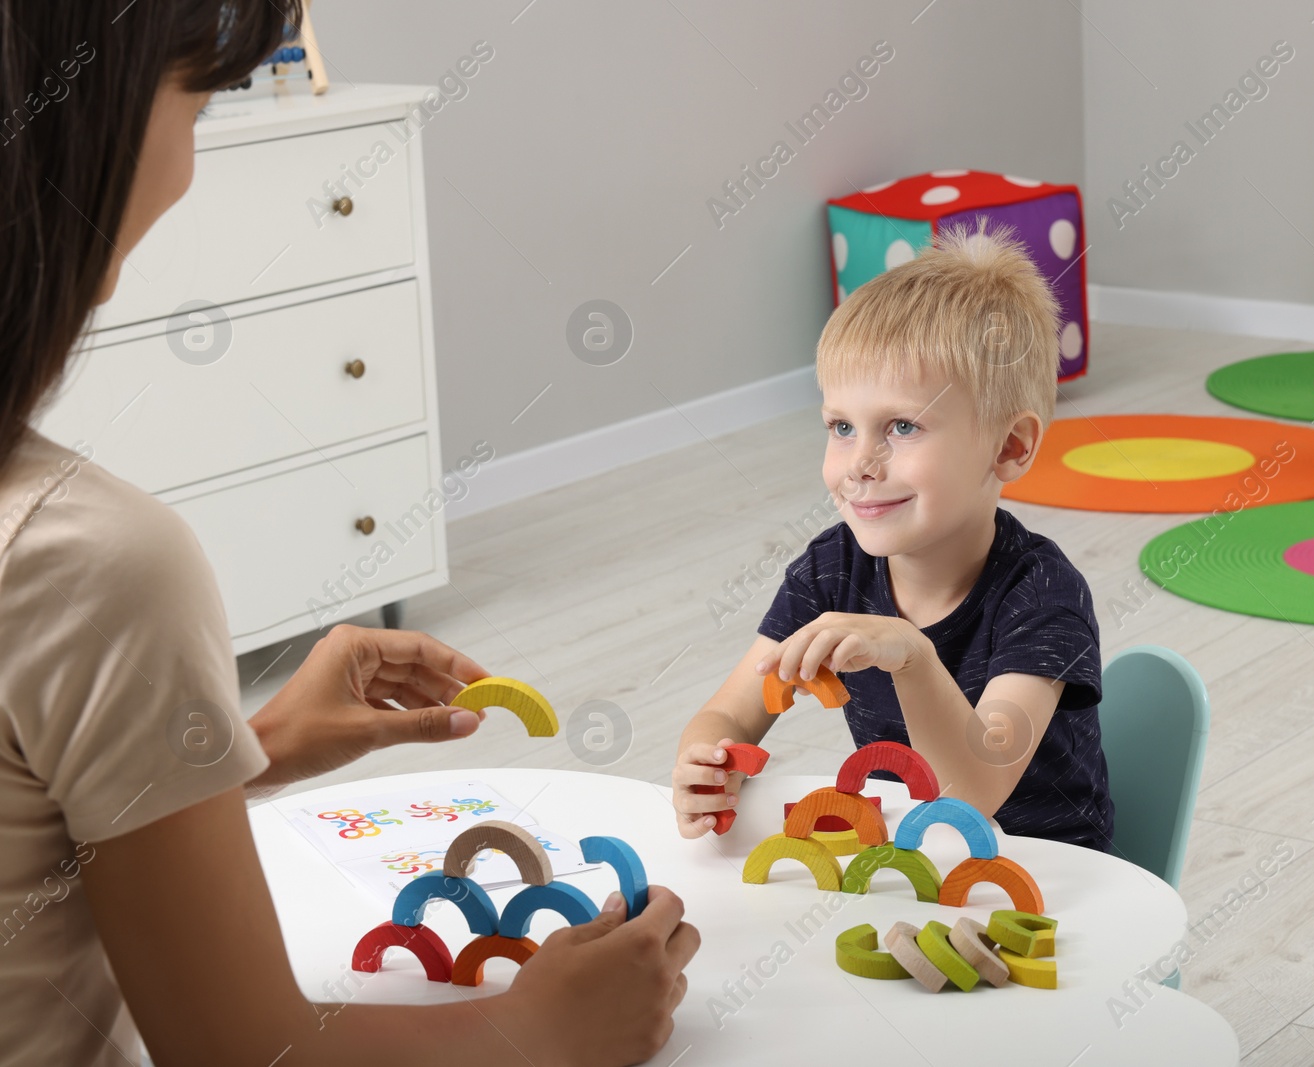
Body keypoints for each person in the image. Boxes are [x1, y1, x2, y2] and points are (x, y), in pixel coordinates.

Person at [0, 3, 696, 1065]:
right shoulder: (91, 562)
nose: (192, 156)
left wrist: (243, 751)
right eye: (196, 95)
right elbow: (244, 1050)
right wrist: (535, 1027)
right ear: (88, 121)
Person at [673, 220, 1111, 851]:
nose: (860, 463)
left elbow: (973, 793)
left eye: (902, 427)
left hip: (1047, 878)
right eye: (841, 426)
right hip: (909, 862)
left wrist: (910, 654)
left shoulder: (1044, 593)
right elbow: (731, 712)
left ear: (1009, 447)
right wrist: (705, 762)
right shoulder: (833, 569)